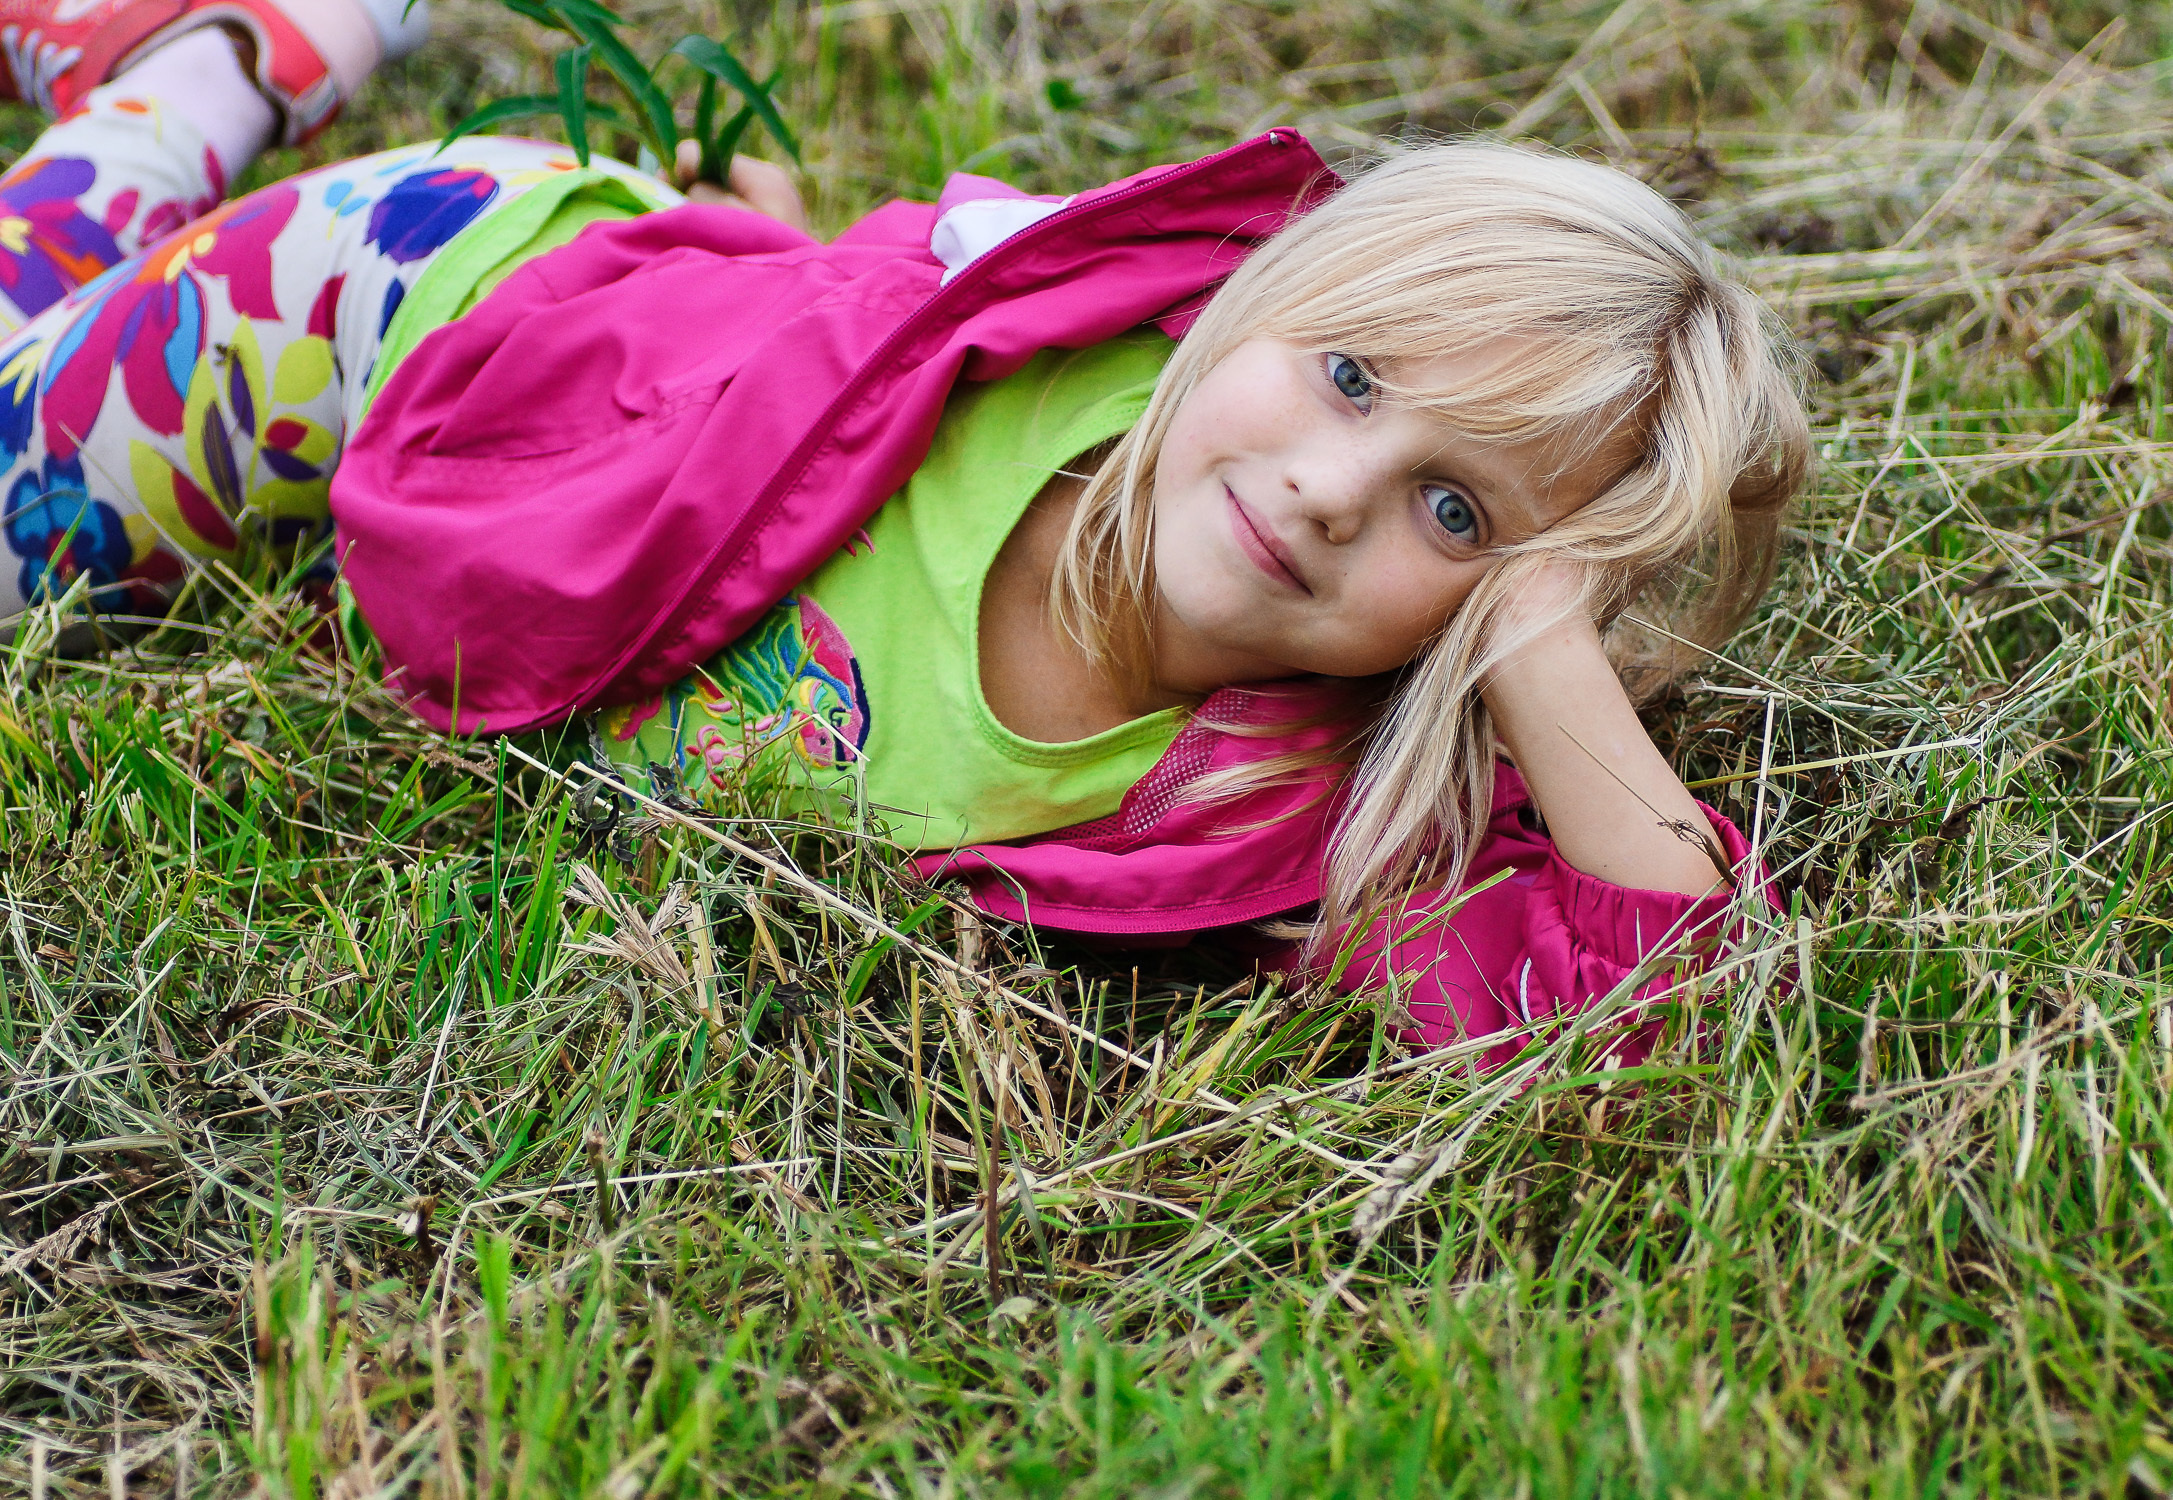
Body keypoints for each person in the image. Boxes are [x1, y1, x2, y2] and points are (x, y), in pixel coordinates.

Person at [0, 0, 1810, 1067]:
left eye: (1453, 508)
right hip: (429, 306)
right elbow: (924, 279)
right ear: (1253, 302)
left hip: (498, 508)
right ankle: (211, 82)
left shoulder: (1286, 801)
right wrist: (779, 276)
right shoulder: (1082, 328)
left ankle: (195, 61)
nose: (1339, 488)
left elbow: (1650, 1032)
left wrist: (1548, 655)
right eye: (1346, 373)